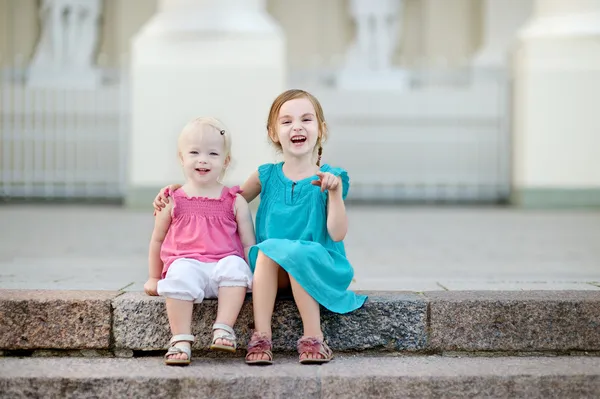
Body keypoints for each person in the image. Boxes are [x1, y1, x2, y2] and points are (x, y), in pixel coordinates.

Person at [153, 90, 367, 365]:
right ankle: (262, 336)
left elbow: (337, 234)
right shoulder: (266, 175)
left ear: (321, 129)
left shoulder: (330, 178)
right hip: (273, 270)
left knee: (294, 253)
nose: (297, 126)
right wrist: (181, 190)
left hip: (317, 265)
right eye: (287, 121)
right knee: (266, 252)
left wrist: (335, 194)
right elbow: (223, 197)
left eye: (306, 119)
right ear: (273, 132)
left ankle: (314, 337)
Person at [145, 117, 256, 366]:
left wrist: (256, 274)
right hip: (187, 264)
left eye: (213, 153)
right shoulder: (172, 200)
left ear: (225, 161)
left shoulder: (234, 201)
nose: (202, 159)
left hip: (222, 269)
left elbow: (249, 244)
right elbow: (157, 240)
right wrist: (154, 276)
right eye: (194, 152)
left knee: (236, 266)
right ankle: (181, 339)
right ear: (181, 158)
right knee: (179, 272)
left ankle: (223, 328)